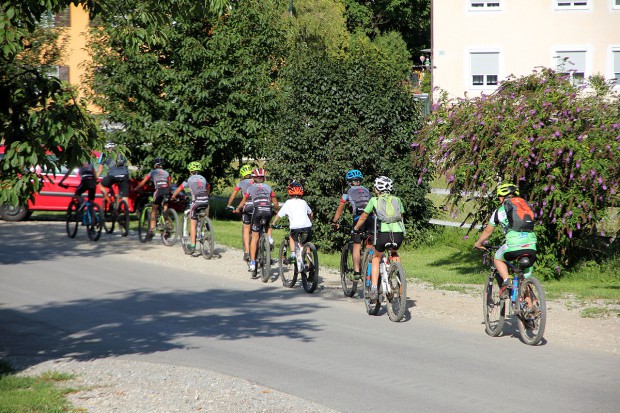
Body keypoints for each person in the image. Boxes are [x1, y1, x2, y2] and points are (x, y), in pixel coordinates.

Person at [473, 183, 537, 295]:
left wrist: (478, 243)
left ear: (501, 198)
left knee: (497, 258)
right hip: (531, 245)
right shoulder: (525, 208)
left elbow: (488, 231)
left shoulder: (499, 211)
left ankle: (507, 281)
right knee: (525, 284)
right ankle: (532, 310)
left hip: (513, 245)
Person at [353, 176, 405, 300]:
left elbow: (363, 217)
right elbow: (402, 217)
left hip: (383, 234)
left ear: (377, 189)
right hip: (398, 234)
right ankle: (401, 283)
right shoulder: (397, 200)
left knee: (376, 257)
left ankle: (374, 289)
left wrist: (356, 228)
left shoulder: (374, 200)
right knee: (394, 253)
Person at [331, 169, 374, 280]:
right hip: (371, 217)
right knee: (370, 242)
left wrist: (334, 222)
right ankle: (370, 267)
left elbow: (340, 209)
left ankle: (356, 272)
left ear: (349, 182)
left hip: (358, 217)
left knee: (356, 244)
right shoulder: (367, 190)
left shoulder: (347, 192)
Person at [235, 168, 279, 273]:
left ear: (254, 178)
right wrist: (277, 211)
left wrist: (238, 209)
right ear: (263, 178)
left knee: (254, 236)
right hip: (268, 210)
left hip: (257, 211)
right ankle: (270, 239)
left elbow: (244, 200)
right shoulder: (269, 188)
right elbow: (275, 202)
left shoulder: (250, 188)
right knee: (268, 225)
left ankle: (253, 263)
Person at [171, 161, 210, 254]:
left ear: (190, 171)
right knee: (203, 213)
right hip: (205, 201)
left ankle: (192, 246)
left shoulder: (188, 180)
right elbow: (208, 187)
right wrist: (206, 195)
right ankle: (205, 227)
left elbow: (179, 189)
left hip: (196, 202)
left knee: (193, 223)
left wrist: (173, 197)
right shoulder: (203, 178)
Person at [271, 181, 313, 263]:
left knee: (292, 236)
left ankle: (293, 254)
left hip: (295, 227)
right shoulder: (303, 202)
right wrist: (310, 220)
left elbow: (279, 215)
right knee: (306, 245)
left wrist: (273, 223)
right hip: (307, 226)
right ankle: (311, 264)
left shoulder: (288, 203)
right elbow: (311, 213)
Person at [133, 157, 171, 239]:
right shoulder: (166, 173)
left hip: (159, 191)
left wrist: (136, 189)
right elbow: (169, 184)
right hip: (167, 191)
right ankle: (167, 224)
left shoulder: (152, 172)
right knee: (165, 209)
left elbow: (143, 182)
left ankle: (151, 230)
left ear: (155, 165)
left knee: (154, 210)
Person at [226, 164, 254, 262]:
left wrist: (229, 205)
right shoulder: (256, 181)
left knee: (246, 228)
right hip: (259, 206)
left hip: (247, 206)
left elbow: (233, 195)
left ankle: (247, 252)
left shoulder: (241, 183)